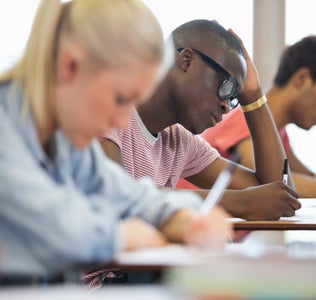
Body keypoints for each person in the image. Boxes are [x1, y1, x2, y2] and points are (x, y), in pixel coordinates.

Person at [0, 0, 231, 284]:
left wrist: (188, 216)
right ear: (70, 66)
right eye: (121, 99)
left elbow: (128, 195)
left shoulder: (62, 143)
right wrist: (118, 235)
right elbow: (48, 222)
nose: (123, 122)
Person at [101, 19, 300, 221]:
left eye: (233, 99)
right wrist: (238, 202)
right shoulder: (109, 111)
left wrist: (253, 96)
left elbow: (277, 197)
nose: (226, 104)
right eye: (227, 86)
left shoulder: (179, 142)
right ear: (187, 60)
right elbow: (118, 194)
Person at [200, 35, 316, 199]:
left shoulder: (278, 135)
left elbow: (307, 177)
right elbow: (272, 182)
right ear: (302, 79)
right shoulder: (245, 120)